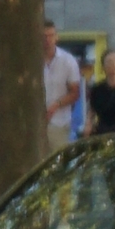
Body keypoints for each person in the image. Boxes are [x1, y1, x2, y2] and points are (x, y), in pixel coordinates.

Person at [42, 21, 84, 150]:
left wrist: (55, 105)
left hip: (59, 122)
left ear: (56, 37)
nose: (47, 39)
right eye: (44, 36)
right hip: (34, 124)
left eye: (51, 35)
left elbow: (75, 92)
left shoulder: (68, 60)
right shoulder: (30, 61)